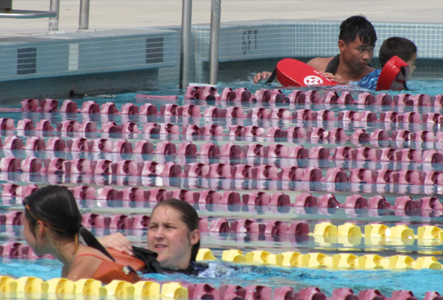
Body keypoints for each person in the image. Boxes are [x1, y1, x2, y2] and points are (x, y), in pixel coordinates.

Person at [23, 185, 140, 284]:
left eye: (24, 226)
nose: (23, 233)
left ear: (39, 228)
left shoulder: (83, 265)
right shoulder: (70, 267)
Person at [253, 15, 378, 86]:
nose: (367, 56)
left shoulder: (373, 79)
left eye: (371, 49)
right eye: (361, 49)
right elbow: (293, 86)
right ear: (342, 46)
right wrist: (271, 79)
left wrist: (339, 86)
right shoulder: (316, 67)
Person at [99, 199, 205, 275]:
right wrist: (96, 245)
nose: (158, 235)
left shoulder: (209, 274)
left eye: (169, 227)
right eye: (153, 227)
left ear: (193, 237)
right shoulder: (131, 269)